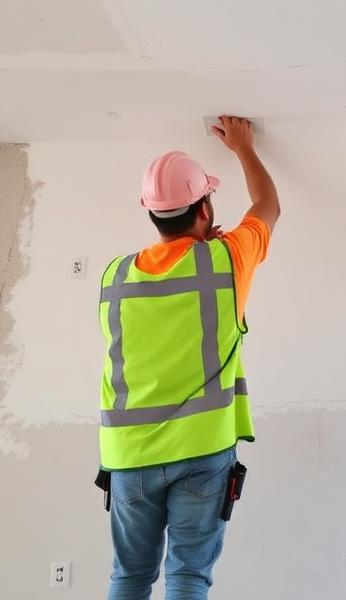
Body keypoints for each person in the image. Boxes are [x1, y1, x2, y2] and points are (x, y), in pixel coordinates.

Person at [96, 116, 280, 599]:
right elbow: (268, 206)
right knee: (188, 576)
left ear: (151, 213)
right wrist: (243, 147)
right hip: (202, 450)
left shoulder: (114, 276)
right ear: (205, 207)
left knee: (129, 576)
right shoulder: (227, 260)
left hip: (130, 453)